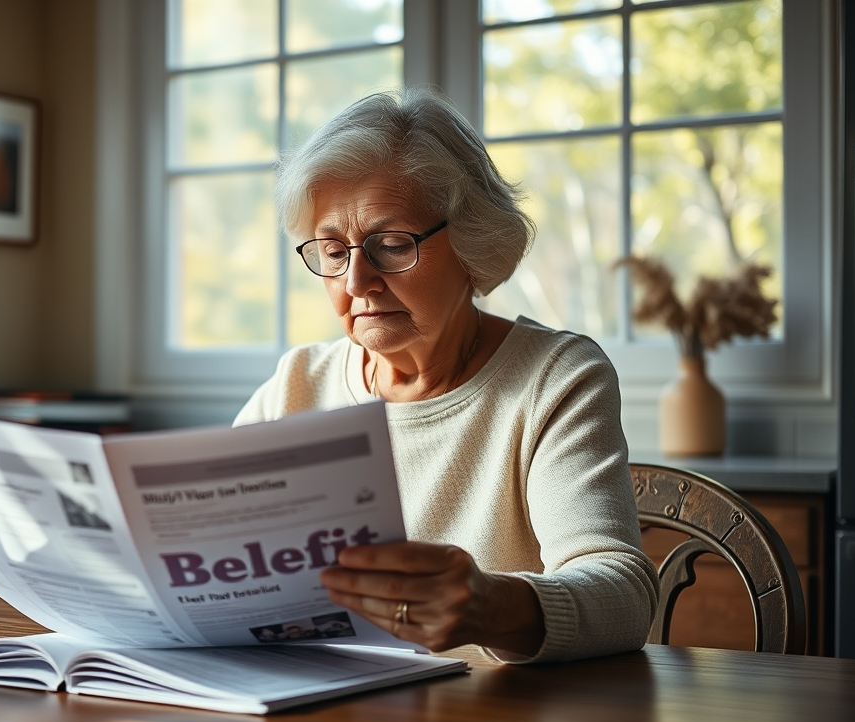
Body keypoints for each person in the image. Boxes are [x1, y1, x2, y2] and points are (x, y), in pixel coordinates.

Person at [234, 89, 659, 663]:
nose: (357, 281)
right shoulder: (298, 384)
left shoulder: (553, 379)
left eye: (390, 245)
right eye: (334, 251)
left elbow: (623, 595)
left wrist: (491, 604)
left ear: (471, 241)